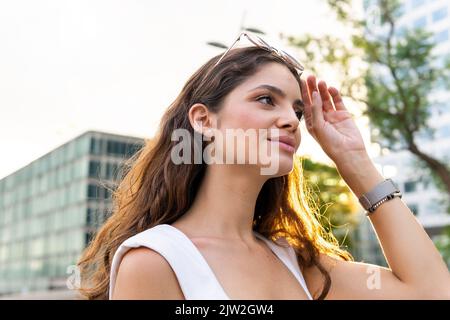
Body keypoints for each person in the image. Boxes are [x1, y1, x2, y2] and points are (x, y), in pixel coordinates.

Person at [77, 32, 450, 300]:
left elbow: (431, 292)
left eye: (297, 111)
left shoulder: (296, 261)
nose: (290, 119)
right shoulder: (156, 260)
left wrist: (356, 163)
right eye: (266, 99)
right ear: (204, 120)